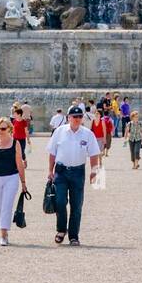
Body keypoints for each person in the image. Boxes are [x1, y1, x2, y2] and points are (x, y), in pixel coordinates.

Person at [46, 105, 102, 245]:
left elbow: (94, 153)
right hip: (61, 171)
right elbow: (52, 153)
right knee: (59, 201)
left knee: (76, 205)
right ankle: (61, 229)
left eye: (79, 117)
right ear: (68, 118)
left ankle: (73, 236)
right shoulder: (59, 131)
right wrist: (49, 171)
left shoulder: (88, 134)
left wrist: (94, 171)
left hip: (78, 172)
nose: (77, 119)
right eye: (74, 117)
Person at [0, 117, 27, 247]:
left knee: (7, 205)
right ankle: (4, 230)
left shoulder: (15, 143)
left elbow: (19, 164)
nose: (0, 131)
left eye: (3, 128)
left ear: (9, 129)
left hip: (11, 177)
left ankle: (3, 234)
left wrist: (23, 182)